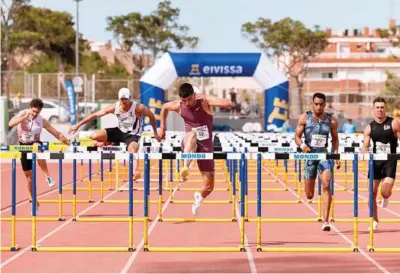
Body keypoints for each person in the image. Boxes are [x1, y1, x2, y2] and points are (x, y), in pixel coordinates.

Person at [158, 83, 233, 215]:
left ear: (194, 95)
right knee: (192, 135)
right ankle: (185, 167)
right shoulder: (178, 105)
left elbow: (229, 103)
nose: (186, 103)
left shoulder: (204, 101)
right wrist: (162, 128)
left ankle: (199, 196)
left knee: (209, 186)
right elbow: (164, 107)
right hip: (189, 142)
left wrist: (211, 99)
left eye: (189, 100)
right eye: (184, 101)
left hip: (205, 145)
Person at [68, 87, 160, 181]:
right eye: (122, 99)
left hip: (132, 135)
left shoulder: (138, 108)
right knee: (94, 136)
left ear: (130, 98)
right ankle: (108, 142)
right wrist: (77, 126)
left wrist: (155, 133)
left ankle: (134, 172)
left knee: (133, 149)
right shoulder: (114, 107)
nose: (124, 102)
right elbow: (95, 115)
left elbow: (151, 116)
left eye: (126, 99)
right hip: (119, 132)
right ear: (119, 99)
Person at [8, 98, 70, 213]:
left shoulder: (42, 120)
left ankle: (47, 176)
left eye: (38, 112)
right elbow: (10, 124)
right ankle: (34, 201)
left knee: (37, 148)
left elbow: (56, 133)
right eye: (33, 111)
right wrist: (24, 117)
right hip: (23, 146)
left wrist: (68, 142)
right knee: (29, 178)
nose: (35, 114)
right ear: (30, 108)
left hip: (36, 143)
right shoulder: (22, 114)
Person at [295, 93, 340, 231]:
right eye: (316, 104)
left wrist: (336, 154)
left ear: (325, 105)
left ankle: (326, 221)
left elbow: (335, 139)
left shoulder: (331, 121)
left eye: (321, 104)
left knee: (327, 184)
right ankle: (309, 191)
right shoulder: (304, 118)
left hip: (323, 154)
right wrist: (303, 147)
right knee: (309, 194)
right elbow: (297, 137)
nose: (318, 106)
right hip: (309, 155)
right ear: (312, 104)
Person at [362, 97, 400, 231]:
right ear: (373, 109)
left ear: (385, 109)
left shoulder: (394, 123)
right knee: (371, 192)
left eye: (382, 107)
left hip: (390, 161)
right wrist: (365, 151)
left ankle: (385, 197)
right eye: (377, 107)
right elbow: (365, 146)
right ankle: (374, 220)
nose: (380, 110)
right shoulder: (369, 128)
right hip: (376, 162)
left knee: (384, 192)